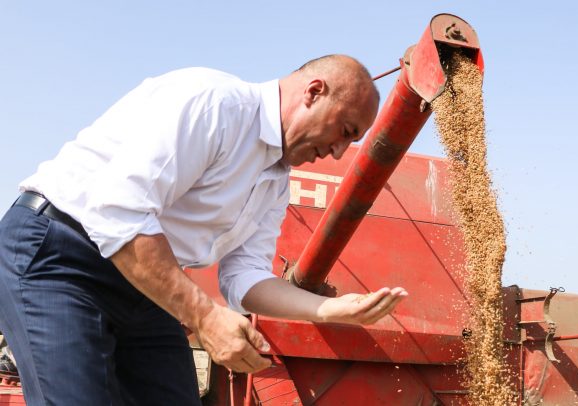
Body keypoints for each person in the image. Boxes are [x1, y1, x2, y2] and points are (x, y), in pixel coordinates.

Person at [0, 55, 408, 405]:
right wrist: (205, 317)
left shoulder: (275, 179)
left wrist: (330, 311)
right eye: (345, 131)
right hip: (62, 256)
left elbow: (243, 276)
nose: (338, 152)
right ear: (314, 91)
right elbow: (119, 211)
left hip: (145, 282)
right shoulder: (215, 104)